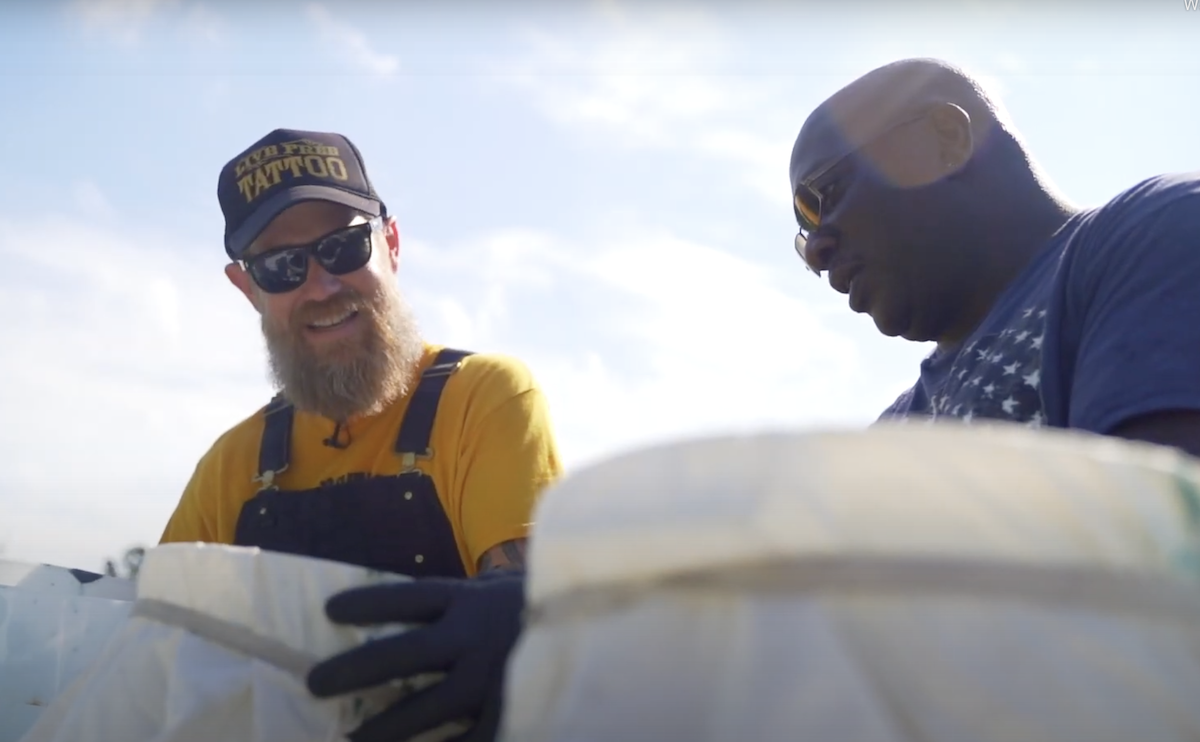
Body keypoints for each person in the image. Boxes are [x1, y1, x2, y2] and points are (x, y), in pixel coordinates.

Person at [157, 128, 561, 741]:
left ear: (390, 243)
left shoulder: (484, 397)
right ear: (248, 289)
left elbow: (540, 600)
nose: (321, 286)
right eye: (281, 267)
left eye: (344, 247)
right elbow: (157, 648)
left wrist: (529, 610)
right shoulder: (229, 466)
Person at [787, 57, 1200, 458]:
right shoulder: (892, 435)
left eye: (825, 196)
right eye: (805, 229)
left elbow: (1160, 500)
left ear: (947, 138)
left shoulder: (1157, 231)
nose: (817, 251)